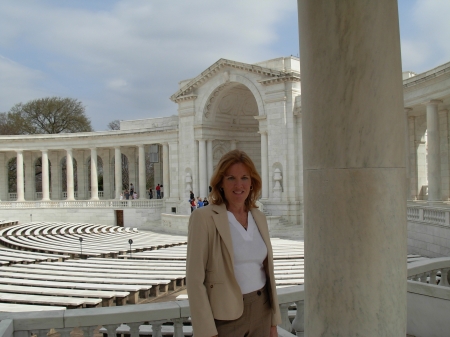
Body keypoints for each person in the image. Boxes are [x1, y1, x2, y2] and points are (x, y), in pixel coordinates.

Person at [186, 150, 281, 337]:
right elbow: (194, 280)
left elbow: (268, 272)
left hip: (262, 310)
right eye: (231, 178)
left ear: (252, 183)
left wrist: (273, 322)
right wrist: (206, 332)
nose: (239, 185)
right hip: (226, 317)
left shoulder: (259, 217)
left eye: (245, 178)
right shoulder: (204, 218)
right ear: (220, 182)